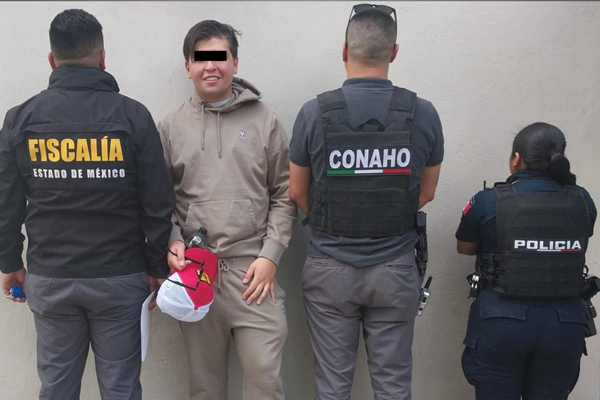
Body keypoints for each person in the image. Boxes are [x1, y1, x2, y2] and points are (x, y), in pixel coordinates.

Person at [0, 8, 175, 400]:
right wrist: (156, 267)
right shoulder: (133, 116)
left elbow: (5, 203)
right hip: (120, 277)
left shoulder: (20, 119)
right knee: (121, 388)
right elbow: (157, 203)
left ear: (52, 59)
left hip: (51, 276)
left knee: (57, 388)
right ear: (102, 57)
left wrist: (10, 263)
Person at [289, 4, 444, 400]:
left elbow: (297, 192)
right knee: (393, 387)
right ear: (394, 52)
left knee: (332, 387)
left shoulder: (313, 113)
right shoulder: (423, 113)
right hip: (395, 268)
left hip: (329, 269)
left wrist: (332, 220)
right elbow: (426, 192)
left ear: (344, 51)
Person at [157, 20, 297, 400]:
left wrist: (271, 255)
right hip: (195, 274)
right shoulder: (169, 126)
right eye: (200, 58)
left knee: (265, 382)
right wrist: (173, 240)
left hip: (254, 274)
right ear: (188, 66)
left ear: (235, 62)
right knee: (205, 388)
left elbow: (285, 194)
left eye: (219, 56)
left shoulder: (265, 120)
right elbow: (158, 201)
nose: (210, 66)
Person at [456, 122, 596, 400]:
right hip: (564, 323)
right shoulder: (583, 200)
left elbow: (465, 248)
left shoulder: (488, 201)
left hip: (501, 322)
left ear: (516, 158)